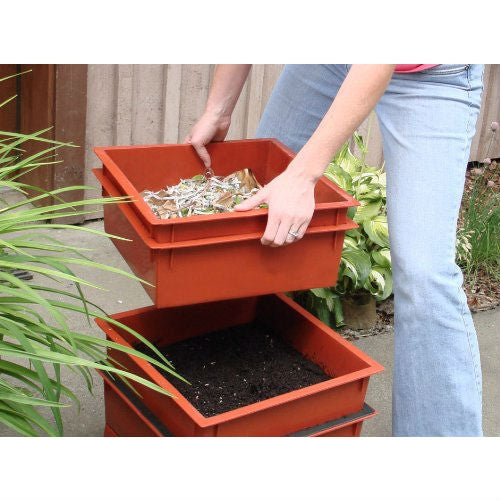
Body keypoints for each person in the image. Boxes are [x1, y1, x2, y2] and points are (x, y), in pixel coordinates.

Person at [185, 64, 484, 437]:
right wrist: (218, 109)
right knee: (261, 191)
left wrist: (301, 176)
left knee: (425, 275)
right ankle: (230, 387)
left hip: (432, 75)